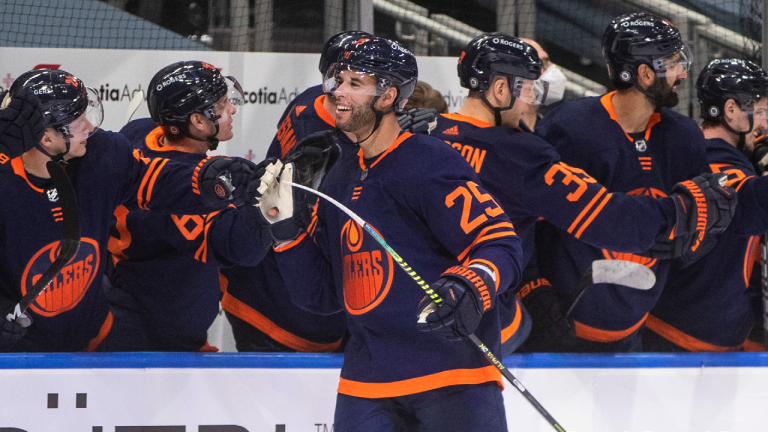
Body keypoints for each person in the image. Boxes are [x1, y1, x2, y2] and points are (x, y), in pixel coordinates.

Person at [257, 36, 522, 432]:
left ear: (387, 96)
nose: (337, 92)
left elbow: (501, 244)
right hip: (367, 382)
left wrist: (473, 285)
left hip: (451, 378)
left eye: (354, 83)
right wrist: (284, 230)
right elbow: (323, 295)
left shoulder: (429, 161)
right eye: (338, 79)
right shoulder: (339, 178)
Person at [428, 32, 735, 353]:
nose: (534, 101)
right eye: (530, 88)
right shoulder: (517, 154)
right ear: (501, 89)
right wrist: (679, 211)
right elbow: (603, 214)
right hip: (483, 324)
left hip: (422, 315)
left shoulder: (423, 134)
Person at [0, 68, 258, 352]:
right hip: (23, 352)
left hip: (94, 337)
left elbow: (155, 180)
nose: (89, 126)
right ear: (47, 138)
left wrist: (205, 180)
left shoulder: (101, 154)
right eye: (77, 121)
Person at [534, 12, 721, 352]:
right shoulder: (568, 130)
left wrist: (690, 243)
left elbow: (704, 224)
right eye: (675, 63)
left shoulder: (685, 137)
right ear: (645, 74)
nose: (682, 73)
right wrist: (533, 293)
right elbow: (525, 220)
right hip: (560, 332)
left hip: (634, 334)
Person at [100, 61, 271, 352]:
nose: (231, 110)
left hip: (124, 305)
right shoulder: (195, 193)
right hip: (152, 339)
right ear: (197, 122)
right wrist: (266, 205)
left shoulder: (139, 133)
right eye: (221, 104)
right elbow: (246, 249)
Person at [219, 31, 370, 352]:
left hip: (270, 282)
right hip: (280, 304)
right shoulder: (328, 143)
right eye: (358, 80)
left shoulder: (311, 100)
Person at [643, 59, 768, 352]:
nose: (766, 123)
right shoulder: (713, 161)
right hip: (684, 338)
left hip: (684, 326)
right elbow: (747, 203)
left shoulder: (698, 149)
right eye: (761, 111)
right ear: (731, 110)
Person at [518, 38, 567, 131]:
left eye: (546, 62)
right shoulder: (495, 128)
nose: (551, 68)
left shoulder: (551, 131)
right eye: (540, 63)